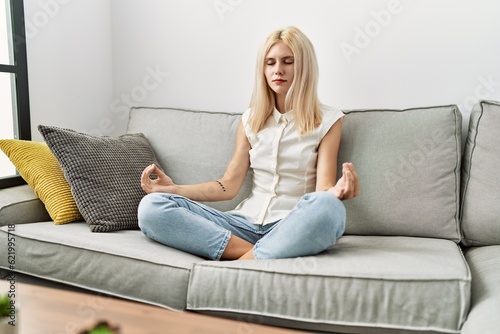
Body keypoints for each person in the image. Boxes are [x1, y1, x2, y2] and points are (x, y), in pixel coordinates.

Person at [138, 26, 360, 261]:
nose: (278, 70)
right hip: (243, 225)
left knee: (329, 208)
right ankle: (254, 256)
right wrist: (174, 190)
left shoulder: (328, 120)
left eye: (288, 61)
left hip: (290, 225)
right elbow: (228, 185)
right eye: (270, 62)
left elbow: (322, 188)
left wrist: (334, 193)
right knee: (152, 206)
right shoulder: (251, 119)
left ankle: (242, 262)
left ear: (304, 67)